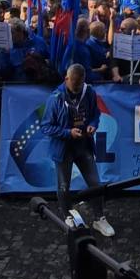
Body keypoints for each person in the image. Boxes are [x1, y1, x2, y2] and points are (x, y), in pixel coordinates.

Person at [42, 64, 115, 236]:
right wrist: (67, 132)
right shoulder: (55, 98)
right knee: (63, 186)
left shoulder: (88, 92)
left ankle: (99, 218)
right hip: (63, 149)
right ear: (66, 79)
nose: (76, 87)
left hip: (84, 146)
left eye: (79, 84)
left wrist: (92, 125)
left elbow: (95, 113)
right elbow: (45, 127)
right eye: (74, 84)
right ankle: (68, 216)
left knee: (95, 183)